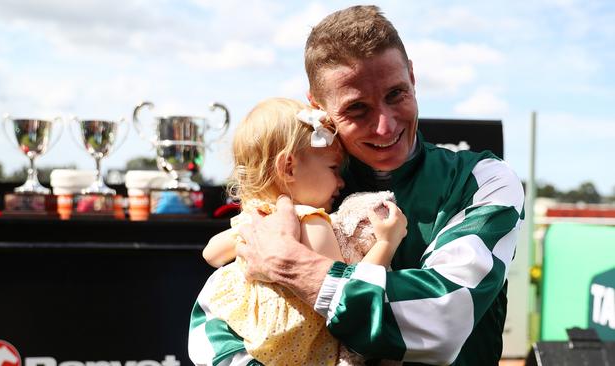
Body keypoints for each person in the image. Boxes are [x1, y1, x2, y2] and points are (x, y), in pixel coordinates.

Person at [189, 5, 524, 366]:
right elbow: (215, 314)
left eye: (396, 94)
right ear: (318, 107)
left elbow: (441, 318)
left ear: (412, 76)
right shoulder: (303, 187)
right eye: (357, 109)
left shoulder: (483, 179)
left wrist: (293, 266)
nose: (384, 126)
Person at [193, 97, 406, 366]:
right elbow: (347, 297)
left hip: (247, 345)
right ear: (289, 167)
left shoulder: (256, 220)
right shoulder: (313, 222)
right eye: (333, 168)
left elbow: (211, 254)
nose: (341, 182)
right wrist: (386, 242)